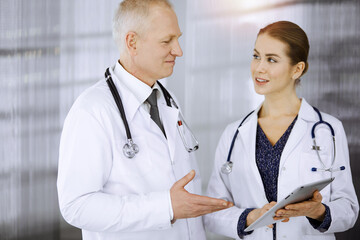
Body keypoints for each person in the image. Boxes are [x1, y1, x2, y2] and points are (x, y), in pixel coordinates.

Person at [57, 0, 232, 239]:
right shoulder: (92, 111)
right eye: (166, 41)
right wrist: (165, 208)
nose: (178, 50)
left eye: (177, 39)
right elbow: (76, 206)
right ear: (132, 42)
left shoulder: (167, 101)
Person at [204, 21, 359, 239]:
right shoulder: (234, 133)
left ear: (297, 69)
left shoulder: (328, 129)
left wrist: (318, 211)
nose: (259, 68)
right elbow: (212, 213)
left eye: (271, 59)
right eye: (256, 56)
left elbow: (349, 209)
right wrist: (250, 217)